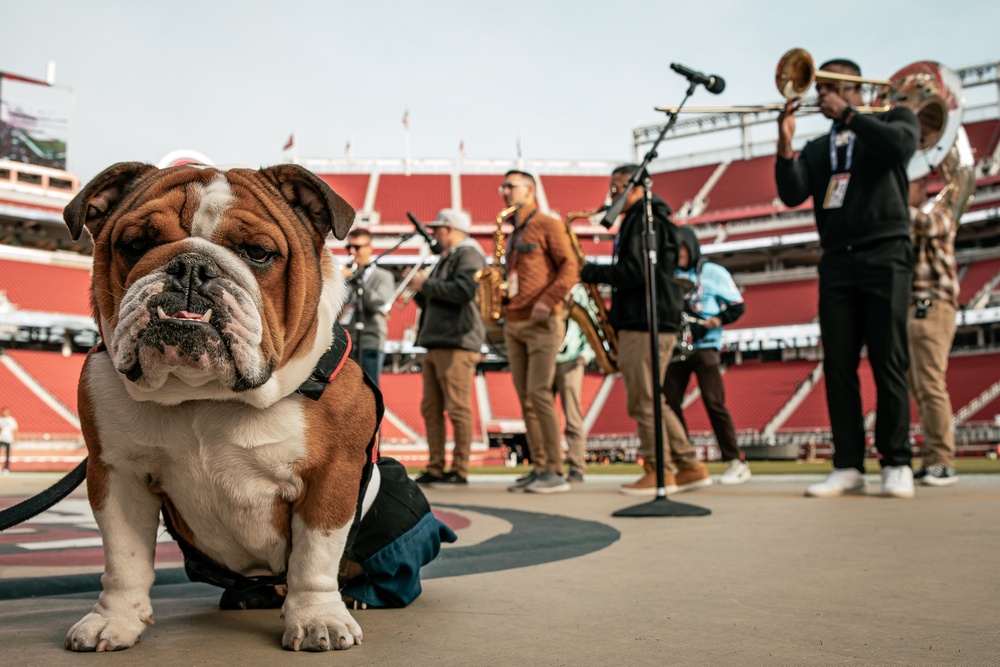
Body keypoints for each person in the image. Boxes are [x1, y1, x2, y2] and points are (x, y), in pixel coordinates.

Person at [775, 58, 920, 498]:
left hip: (886, 253)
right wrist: (785, 147)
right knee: (838, 365)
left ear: (857, 89)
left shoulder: (894, 118)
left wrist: (852, 117)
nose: (823, 96)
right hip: (837, 261)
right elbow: (792, 192)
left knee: (887, 360)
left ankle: (895, 460)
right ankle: (848, 464)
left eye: (833, 87)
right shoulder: (820, 146)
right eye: (821, 89)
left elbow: (901, 150)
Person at [580, 164, 711, 496]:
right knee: (653, 398)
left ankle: (658, 468)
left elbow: (637, 271)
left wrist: (590, 272)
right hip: (649, 319)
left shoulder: (644, 219)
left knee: (644, 400)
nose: (611, 196)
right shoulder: (646, 219)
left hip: (646, 321)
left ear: (634, 187)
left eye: (616, 188)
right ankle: (688, 466)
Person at [499, 170, 579, 494]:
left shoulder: (548, 223)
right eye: (503, 186)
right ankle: (541, 466)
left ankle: (555, 470)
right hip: (514, 321)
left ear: (529, 190)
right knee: (526, 398)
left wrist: (548, 299)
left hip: (542, 321)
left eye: (510, 186)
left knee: (539, 394)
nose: (504, 191)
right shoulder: (512, 232)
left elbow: (571, 267)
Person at [664, 227, 750, 485]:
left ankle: (736, 460)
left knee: (714, 402)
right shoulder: (667, 274)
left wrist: (714, 321)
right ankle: (686, 460)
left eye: (682, 248)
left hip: (706, 346)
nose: (678, 254)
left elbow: (737, 306)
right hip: (676, 348)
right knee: (668, 402)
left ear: (691, 247)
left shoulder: (713, 272)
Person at [408, 209, 487, 487]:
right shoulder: (447, 258)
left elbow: (465, 290)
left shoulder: (469, 255)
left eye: (438, 229)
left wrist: (426, 284)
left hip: (457, 341)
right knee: (431, 409)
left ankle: (460, 468)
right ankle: (437, 466)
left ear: (450, 229)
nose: (434, 235)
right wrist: (421, 290)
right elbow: (436, 300)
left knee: (457, 408)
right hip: (439, 341)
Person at [907, 153, 969, 487]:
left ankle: (943, 459)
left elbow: (927, 225)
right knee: (919, 386)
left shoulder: (939, 211)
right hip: (914, 306)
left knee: (930, 384)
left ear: (921, 186)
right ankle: (932, 457)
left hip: (933, 305)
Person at [342, 228, 395, 386]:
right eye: (349, 247)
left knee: (369, 391)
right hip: (347, 341)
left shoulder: (383, 276)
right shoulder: (346, 277)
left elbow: (379, 304)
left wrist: (354, 279)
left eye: (357, 247)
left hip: (370, 340)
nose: (352, 251)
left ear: (369, 248)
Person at [555, 284, 597, 483]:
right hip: (547, 357)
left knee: (572, 415)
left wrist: (587, 353)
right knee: (545, 416)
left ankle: (576, 466)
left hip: (571, 358)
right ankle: (550, 465)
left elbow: (590, 322)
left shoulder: (578, 292)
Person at [0, 407, 17, 475]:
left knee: (7, 455)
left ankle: (6, 468)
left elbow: (14, 430)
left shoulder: (11, 420)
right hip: (0, 438)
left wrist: (16, 438)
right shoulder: (0, 419)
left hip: (8, 439)